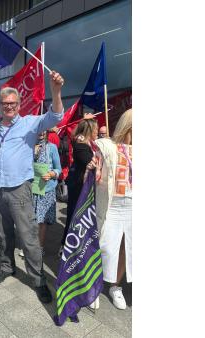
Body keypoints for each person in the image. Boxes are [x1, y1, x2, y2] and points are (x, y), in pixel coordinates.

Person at [0, 70, 65, 304]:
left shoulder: (30, 123)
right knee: (4, 233)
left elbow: (56, 116)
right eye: (4, 103)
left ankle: (38, 279)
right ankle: (7, 266)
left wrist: (56, 90)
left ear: (19, 104)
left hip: (19, 189)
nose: (8, 106)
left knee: (29, 236)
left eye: (12, 103)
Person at [94, 109, 132, 310]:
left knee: (128, 247)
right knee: (106, 246)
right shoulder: (111, 147)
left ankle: (115, 286)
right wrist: (94, 164)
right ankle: (95, 285)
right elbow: (97, 147)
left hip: (134, 206)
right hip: (113, 205)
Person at [61, 118, 98, 252]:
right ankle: (66, 246)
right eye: (95, 130)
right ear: (90, 130)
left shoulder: (89, 143)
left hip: (83, 185)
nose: (97, 132)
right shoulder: (80, 144)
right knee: (74, 215)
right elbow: (89, 162)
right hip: (78, 186)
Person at [32, 130, 62, 253]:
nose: (41, 132)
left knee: (42, 221)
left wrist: (51, 174)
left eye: (44, 129)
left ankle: (39, 247)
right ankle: (31, 245)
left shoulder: (52, 147)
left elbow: (58, 168)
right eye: (39, 129)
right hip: (31, 189)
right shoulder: (28, 146)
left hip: (46, 189)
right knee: (31, 220)